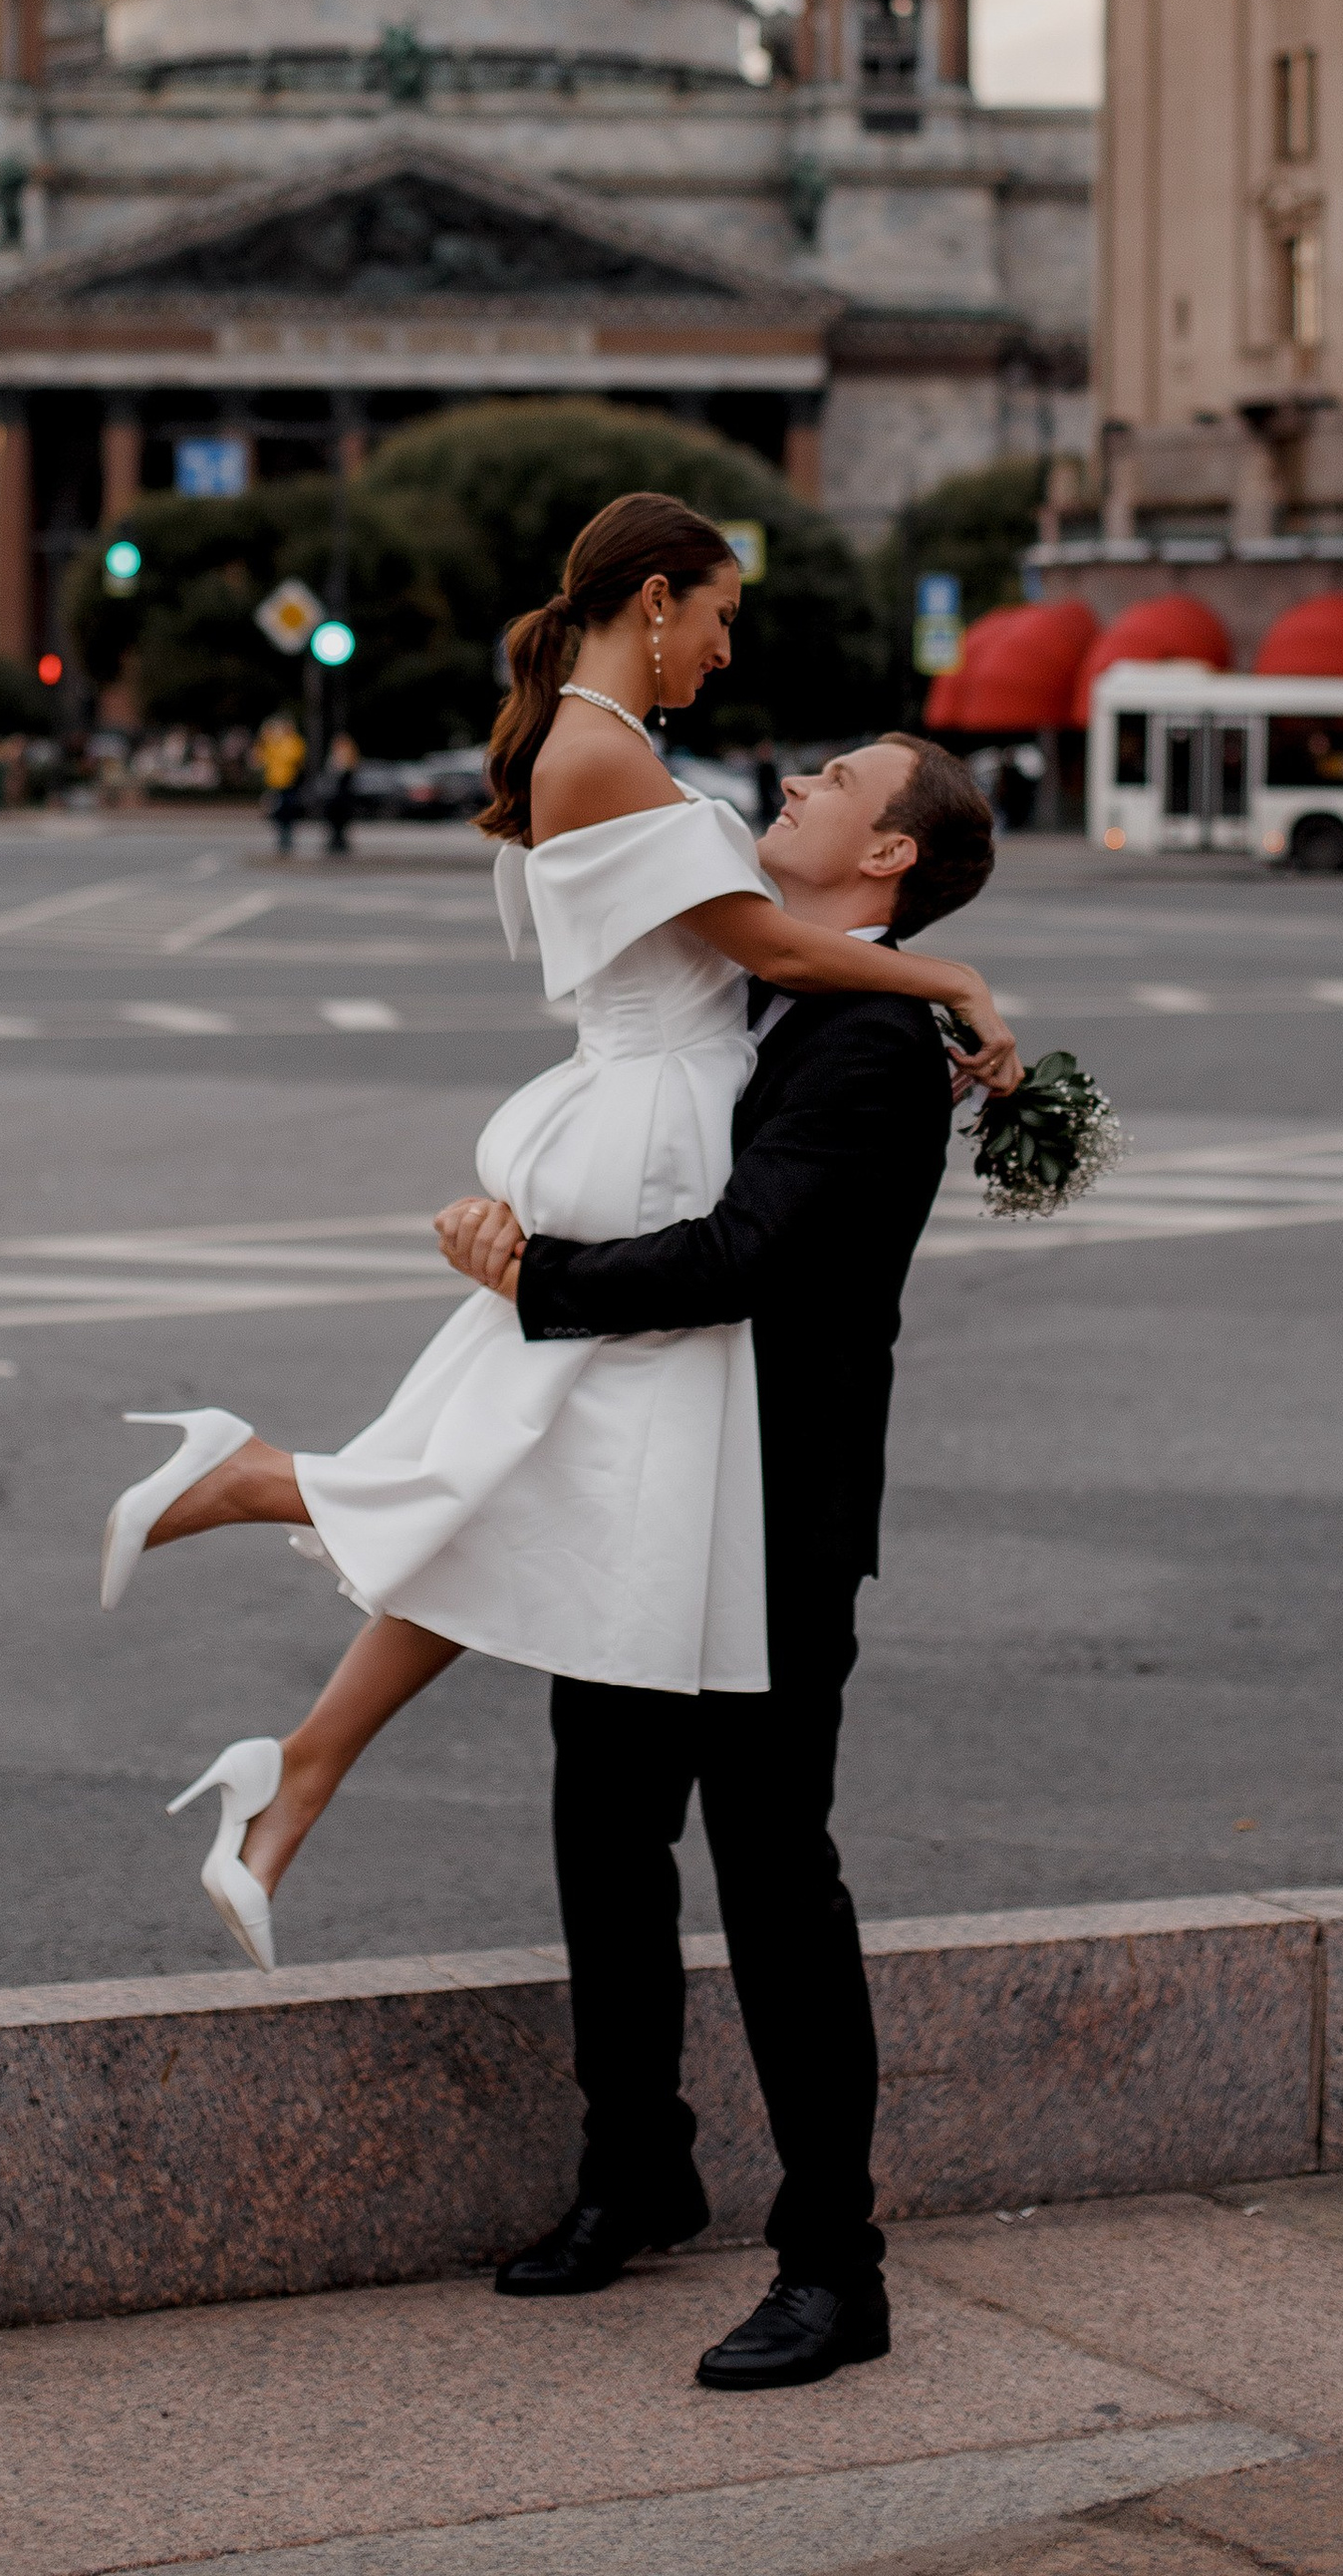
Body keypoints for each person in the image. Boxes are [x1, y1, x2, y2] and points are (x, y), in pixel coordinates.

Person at [93, 492, 1020, 1989]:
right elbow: (765, 946)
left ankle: (296, 1766)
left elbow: (760, 955)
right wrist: (954, 978)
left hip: (646, 1117)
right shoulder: (597, 747)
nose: (727, 650)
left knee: (525, 1474)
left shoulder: (599, 740)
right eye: (719, 616)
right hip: (653, 1131)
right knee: (524, 1459)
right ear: (655, 599)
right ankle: (260, 1488)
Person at [434, 723, 995, 2393]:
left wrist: (535, 1279)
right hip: (652, 1490)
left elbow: (746, 1254)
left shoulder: (872, 1044)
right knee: (605, 1831)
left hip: (766, 1519)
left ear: (889, 856)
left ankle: (836, 2264)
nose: (798, 783)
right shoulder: (764, 989)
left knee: (770, 1874)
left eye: (839, 782)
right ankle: (639, 2169)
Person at [258, 710, 307, 854]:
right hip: (275, 783)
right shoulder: (273, 742)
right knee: (276, 812)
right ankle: (282, 836)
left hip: (289, 783)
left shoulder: (294, 741)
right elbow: (262, 758)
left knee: (288, 810)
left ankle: (287, 836)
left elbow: (292, 758)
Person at [321, 728, 361, 858]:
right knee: (335, 823)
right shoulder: (333, 759)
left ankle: (339, 842)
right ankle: (336, 841)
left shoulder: (348, 759)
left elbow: (346, 779)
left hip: (341, 799)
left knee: (340, 822)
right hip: (335, 799)